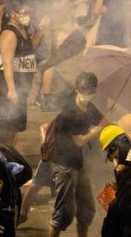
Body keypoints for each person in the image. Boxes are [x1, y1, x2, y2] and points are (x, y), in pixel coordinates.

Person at [48, 72, 107, 237]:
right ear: (76, 88)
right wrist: (93, 132)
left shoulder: (89, 107)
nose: (86, 94)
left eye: (89, 90)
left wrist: (95, 129)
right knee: (63, 213)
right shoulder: (70, 112)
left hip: (78, 164)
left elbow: (104, 121)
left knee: (87, 209)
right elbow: (79, 142)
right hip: (64, 166)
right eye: (83, 89)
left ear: (94, 90)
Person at [0, 0, 42, 145]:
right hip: (9, 85)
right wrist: (11, 89)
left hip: (21, 86)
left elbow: (29, 48)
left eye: (29, 12)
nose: (28, 15)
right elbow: (7, 62)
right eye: (24, 12)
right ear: (13, 14)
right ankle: (3, 154)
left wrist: (40, 32)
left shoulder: (23, 29)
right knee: (8, 124)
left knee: (15, 126)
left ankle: (11, 153)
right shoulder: (9, 33)